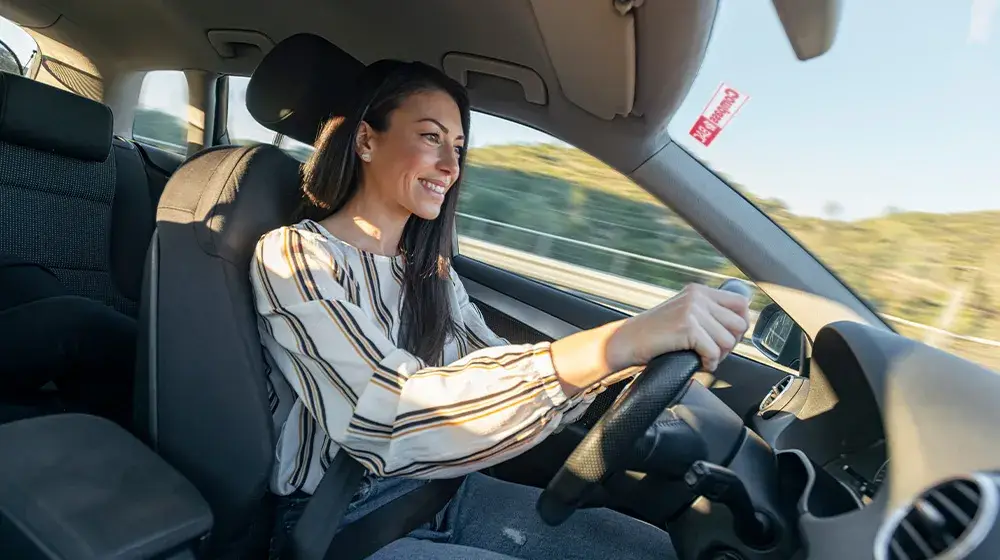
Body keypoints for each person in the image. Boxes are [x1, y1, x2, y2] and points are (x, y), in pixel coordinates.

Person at [250, 60, 751, 560]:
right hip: (343, 521)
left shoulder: (431, 273)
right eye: (431, 137)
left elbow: (491, 363)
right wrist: (617, 342)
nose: (451, 165)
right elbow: (390, 415)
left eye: (460, 148)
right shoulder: (295, 255)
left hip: (443, 489)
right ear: (365, 140)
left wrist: (624, 367)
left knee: (656, 551)